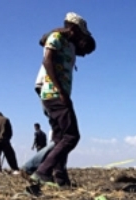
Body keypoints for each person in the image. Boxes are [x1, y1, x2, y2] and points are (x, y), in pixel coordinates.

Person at [31, 12, 94, 186]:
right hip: (54, 93)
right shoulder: (57, 37)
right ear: (74, 28)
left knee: (59, 139)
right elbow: (47, 61)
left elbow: (86, 48)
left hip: (58, 94)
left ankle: (61, 178)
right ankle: (41, 172)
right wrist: (61, 92)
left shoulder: (70, 44)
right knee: (72, 136)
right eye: (81, 33)